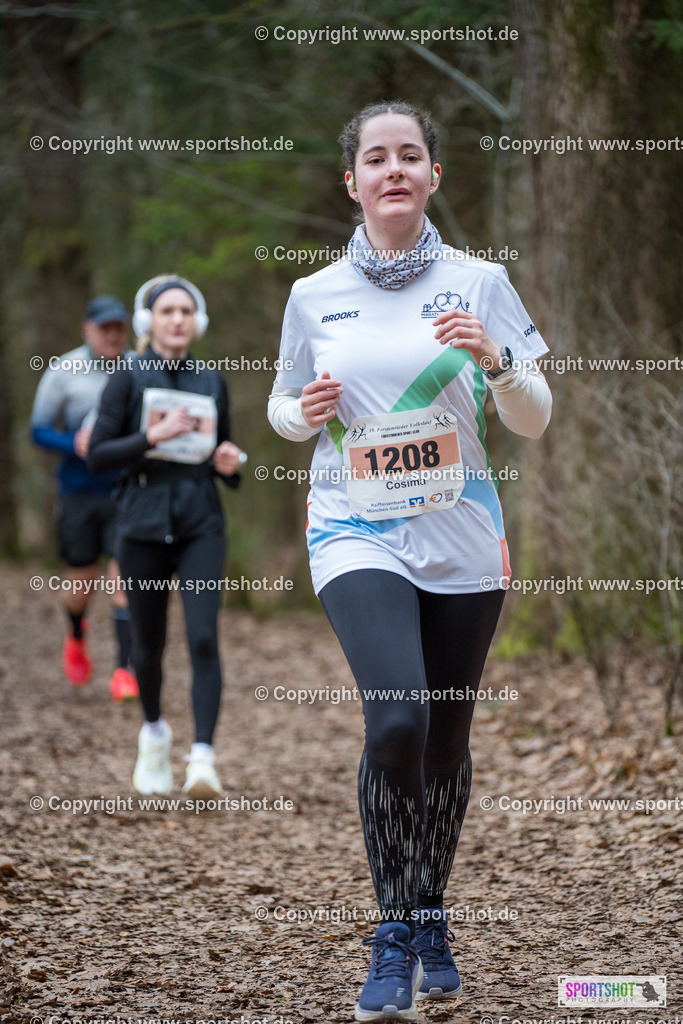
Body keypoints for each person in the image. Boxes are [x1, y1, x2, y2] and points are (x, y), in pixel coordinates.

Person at [268, 101, 552, 1023]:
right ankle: (392, 931)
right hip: (354, 527)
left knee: (446, 741)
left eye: (411, 156)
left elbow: (534, 418)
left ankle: (430, 912)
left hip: (463, 534)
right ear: (350, 180)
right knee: (397, 718)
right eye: (376, 158)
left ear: (433, 176)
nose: (394, 169)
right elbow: (279, 409)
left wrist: (499, 362)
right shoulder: (313, 295)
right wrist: (302, 412)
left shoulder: (480, 282)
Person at [88, 276, 242, 798]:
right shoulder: (126, 376)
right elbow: (98, 454)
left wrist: (230, 463)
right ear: (148, 321)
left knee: (202, 637)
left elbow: (226, 453)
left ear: (196, 322)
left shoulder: (212, 380)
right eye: (166, 311)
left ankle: (203, 758)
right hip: (143, 524)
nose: (176, 319)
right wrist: (150, 436)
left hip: (201, 522)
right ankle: (154, 733)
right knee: (148, 648)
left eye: (185, 311)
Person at [31, 295, 139, 701]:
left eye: (118, 328)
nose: (112, 335)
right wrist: (70, 442)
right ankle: (76, 633)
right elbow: (38, 430)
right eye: (104, 328)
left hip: (125, 490)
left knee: (123, 577)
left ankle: (123, 670)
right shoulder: (63, 371)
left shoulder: (137, 367)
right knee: (82, 581)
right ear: (87, 330)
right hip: (78, 491)